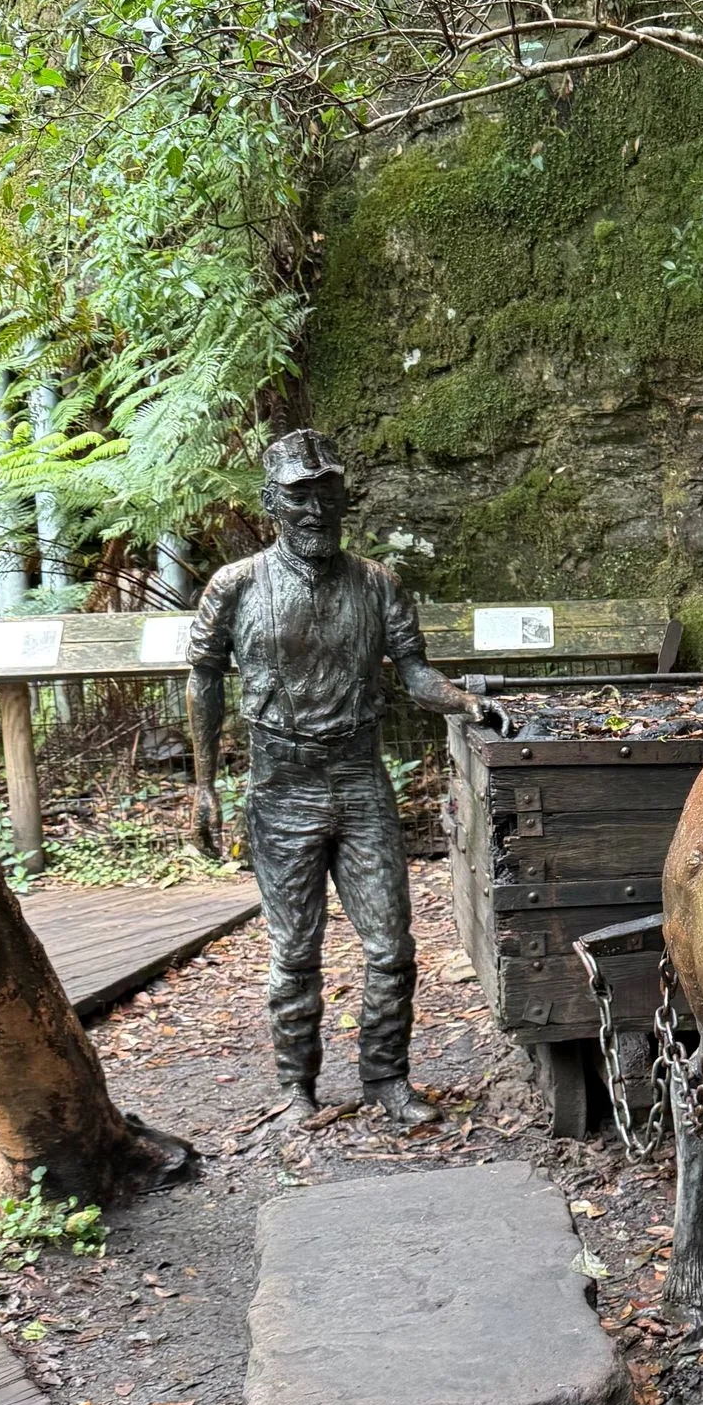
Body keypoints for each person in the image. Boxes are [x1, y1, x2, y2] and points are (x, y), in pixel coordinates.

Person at [188, 429, 511, 1126]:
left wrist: (464, 702)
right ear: (271, 501)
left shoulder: (376, 583)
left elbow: (414, 671)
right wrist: (204, 783)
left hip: (360, 781)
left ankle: (386, 1078)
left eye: (328, 495)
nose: (316, 511)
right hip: (281, 787)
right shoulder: (236, 586)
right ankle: (295, 1088)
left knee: (392, 947)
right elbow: (204, 677)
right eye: (300, 497)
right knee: (293, 952)